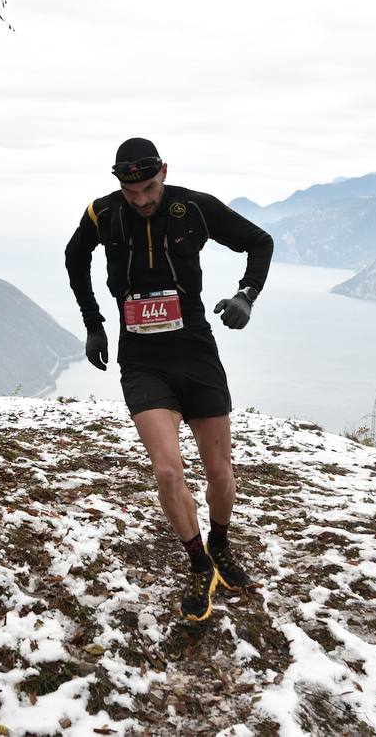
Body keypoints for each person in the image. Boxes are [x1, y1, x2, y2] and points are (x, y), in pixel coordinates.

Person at [64, 137, 274, 621]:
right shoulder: (102, 214)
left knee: (220, 474)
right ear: (119, 182)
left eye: (149, 189)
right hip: (141, 357)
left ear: (163, 172)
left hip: (195, 351)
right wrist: (94, 322)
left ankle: (220, 544)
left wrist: (247, 296)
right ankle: (199, 563)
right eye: (131, 192)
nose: (141, 201)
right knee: (167, 473)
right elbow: (75, 259)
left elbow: (259, 241)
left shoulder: (191, 208)